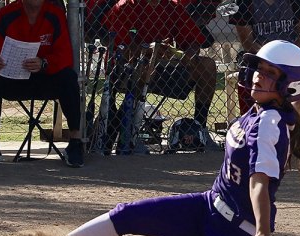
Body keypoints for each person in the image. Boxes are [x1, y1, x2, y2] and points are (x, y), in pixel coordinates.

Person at [66, 40, 300, 236]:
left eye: (270, 73)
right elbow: (294, 99)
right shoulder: (264, 107)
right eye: (260, 68)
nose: (259, 76)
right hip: (207, 207)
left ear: (289, 86)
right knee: (125, 214)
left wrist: (263, 229)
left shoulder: (269, 124)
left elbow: (259, 181)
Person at [88, 0, 217, 146]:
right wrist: (149, 50)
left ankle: (200, 129)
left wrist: (190, 54)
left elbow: (192, 40)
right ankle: (130, 133)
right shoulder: (125, 6)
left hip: (165, 67)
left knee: (208, 65)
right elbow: (121, 49)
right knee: (144, 69)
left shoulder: (172, 6)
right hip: (128, 69)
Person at [0, 0, 85, 167]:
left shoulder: (55, 14)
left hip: (44, 78)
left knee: (68, 77)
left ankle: (75, 142)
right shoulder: (6, 15)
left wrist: (44, 63)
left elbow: (65, 55)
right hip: (13, 80)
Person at [229, 0, 300, 116]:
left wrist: (287, 57)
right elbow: (248, 43)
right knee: (247, 69)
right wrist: (274, 59)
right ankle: (251, 118)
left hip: (290, 54)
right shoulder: (243, 3)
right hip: (261, 56)